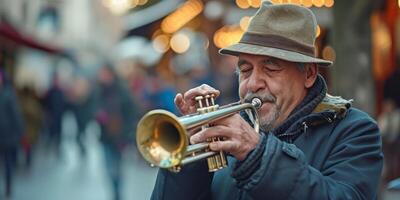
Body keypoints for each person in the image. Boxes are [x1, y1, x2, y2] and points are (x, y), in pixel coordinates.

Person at [150, 1, 383, 200]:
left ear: (309, 74)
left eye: (270, 68)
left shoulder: (356, 131)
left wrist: (257, 154)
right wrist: (188, 159)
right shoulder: (229, 132)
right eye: (245, 69)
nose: (252, 84)